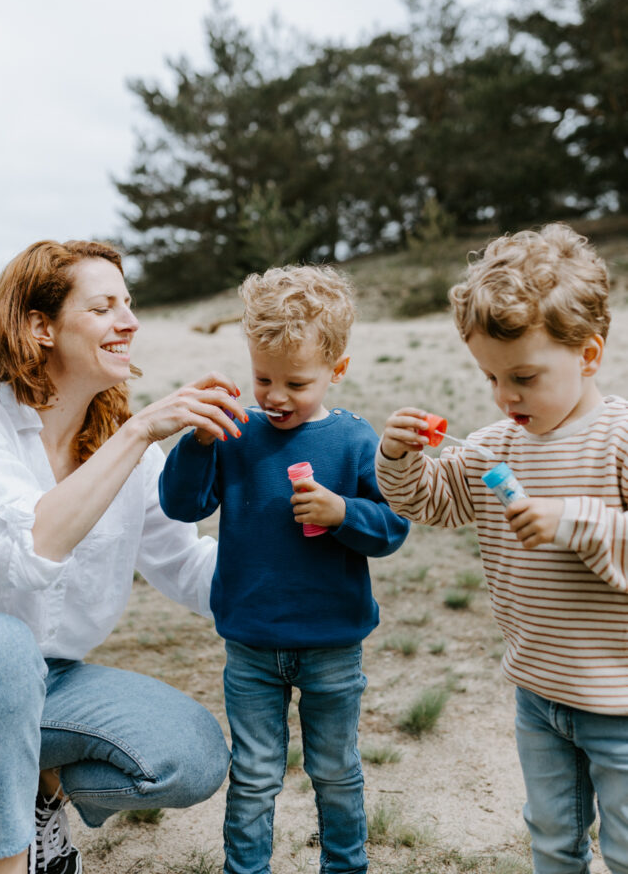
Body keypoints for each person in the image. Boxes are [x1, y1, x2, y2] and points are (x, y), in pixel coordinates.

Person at [0, 239, 245, 874]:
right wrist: (139, 432)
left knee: (190, 754)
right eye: (105, 307)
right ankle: (1, 862)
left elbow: (189, 569)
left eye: (129, 304)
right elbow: (28, 551)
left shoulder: (118, 449)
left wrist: (293, 563)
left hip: (54, 683)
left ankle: (37, 787)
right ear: (40, 327)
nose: (130, 322)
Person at [375, 223, 628, 874]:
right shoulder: (493, 446)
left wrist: (572, 519)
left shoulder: (618, 440)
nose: (504, 396)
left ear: (590, 355)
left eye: (523, 376)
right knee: (551, 839)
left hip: (620, 703)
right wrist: (399, 455)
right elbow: (432, 500)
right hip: (538, 694)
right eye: (490, 376)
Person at [158, 263, 410, 874]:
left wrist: (343, 511)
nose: (274, 395)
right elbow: (181, 505)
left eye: (296, 382)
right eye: (262, 377)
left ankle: (344, 867)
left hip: (332, 645)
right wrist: (197, 440)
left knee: (336, 770)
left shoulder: (354, 441)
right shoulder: (235, 433)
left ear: (336, 371)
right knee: (254, 772)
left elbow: (392, 529)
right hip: (250, 644)